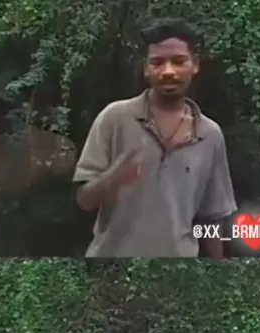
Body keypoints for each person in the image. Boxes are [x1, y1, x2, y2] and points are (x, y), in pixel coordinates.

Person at [73, 19, 236, 258]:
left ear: (195, 65)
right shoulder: (115, 118)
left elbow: (213, 216)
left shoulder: (210, 134)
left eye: (179, 61)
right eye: (157, 62)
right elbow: (84, 201)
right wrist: (115, 176)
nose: (168, 71)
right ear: (146, 69)